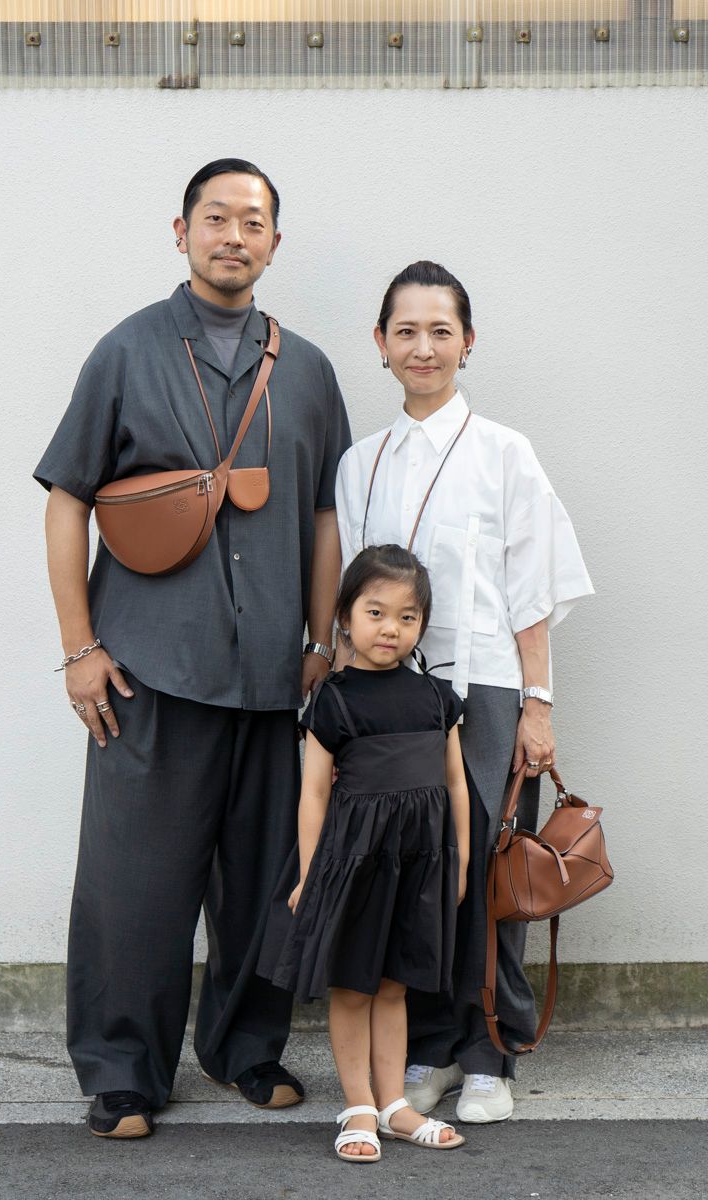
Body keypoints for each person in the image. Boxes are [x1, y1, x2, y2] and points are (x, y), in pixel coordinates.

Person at [34, 159, 351, 1138]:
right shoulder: (125, 352)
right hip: (145, 667)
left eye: (251, 221)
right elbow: (66, 497)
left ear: (272, 243)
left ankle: (246, 1050)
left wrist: (323, 639)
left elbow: (327, 511)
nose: (233, 236)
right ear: (180, 231)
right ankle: (124, 1072)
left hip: (270, 674)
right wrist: (78, 648)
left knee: (263, 882)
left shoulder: (304, 370)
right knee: (135, 882)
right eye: (215, 218)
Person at [335, 261, 594, 1124]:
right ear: (380, 345)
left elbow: (532, 586)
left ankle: (491, 1051)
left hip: (481, 685)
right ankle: (432, 1047)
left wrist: (538, 701)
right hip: (389, 697)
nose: (423, 346)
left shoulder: (503, 452)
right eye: (405, 330)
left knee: (484, 863)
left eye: (441, 330)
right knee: (411, 870)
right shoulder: (359, 462)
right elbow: (351, 591)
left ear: (468, 342)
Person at [259, 545, 470, 1162]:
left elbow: (455, 782)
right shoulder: (334, 699)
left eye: (408, 617)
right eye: (376, 612)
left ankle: (395, 1106)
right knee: (353, 986)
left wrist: (455, 862)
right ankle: (356, 1106)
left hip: (419, 861)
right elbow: (314, 794)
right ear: (345, 618)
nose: (391, 628)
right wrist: (309, 872)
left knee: (396, 985)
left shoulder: (436, 698)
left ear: (422, 626)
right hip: (354, 862)